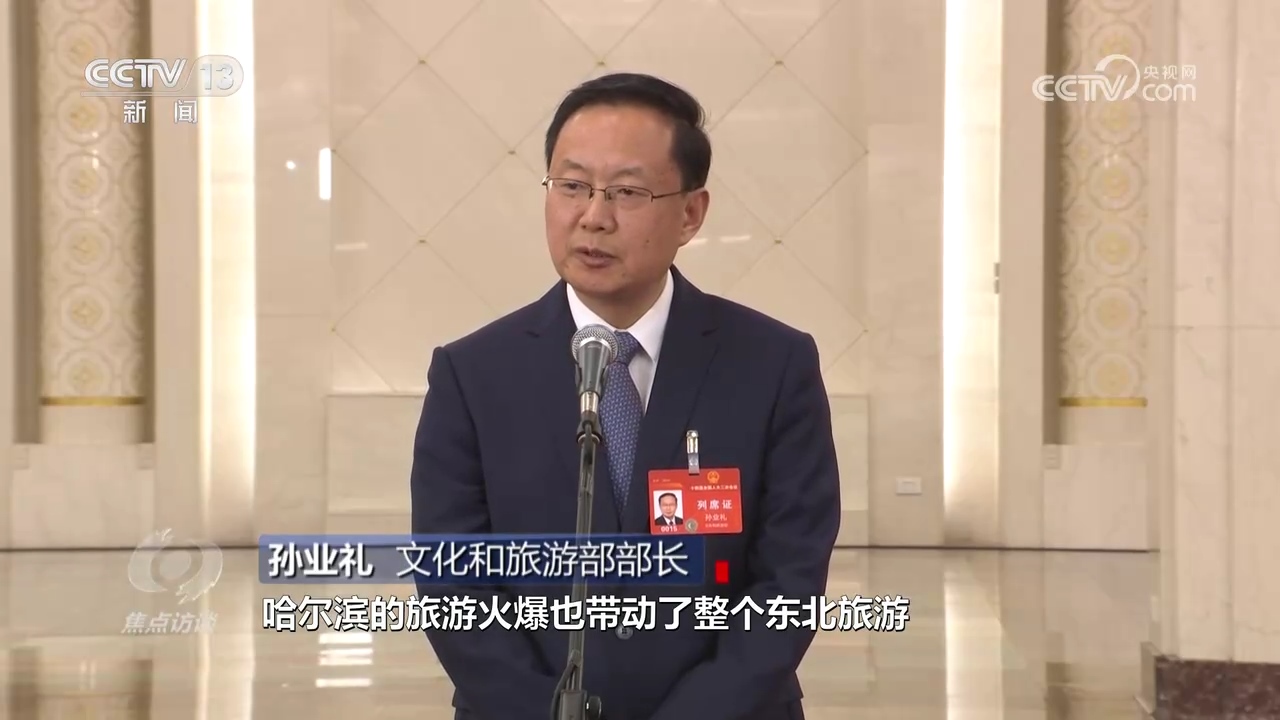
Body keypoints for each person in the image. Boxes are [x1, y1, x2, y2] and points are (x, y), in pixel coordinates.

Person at [410, 72, 841, 720]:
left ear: (690, 213)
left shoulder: (774, 364)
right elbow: (454, 588)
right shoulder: (471, 375)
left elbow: (790, 579)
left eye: (627, 192)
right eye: (571, 185)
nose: (593, 216)